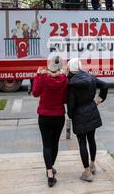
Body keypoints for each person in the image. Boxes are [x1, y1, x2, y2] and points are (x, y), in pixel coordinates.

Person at [66, 58, 108, 182]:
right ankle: (93, 165)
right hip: (92, 111)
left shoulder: (71, 84)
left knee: (82, 143)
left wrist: (71, 115)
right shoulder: (90, 77)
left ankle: (87, 172)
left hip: (79, 114)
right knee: (91, 139)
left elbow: (71, 104)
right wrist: (99, 100)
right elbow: (105, 85)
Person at [32, 56, 68, 187]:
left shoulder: (42, 78)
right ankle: (51, 166)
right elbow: (65, 98)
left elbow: (35, 93)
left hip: (44, 115)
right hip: (59, 115)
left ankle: (49, 172)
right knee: (55, 143)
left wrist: (37, 76)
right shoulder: (64, 79)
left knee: (46, 144)